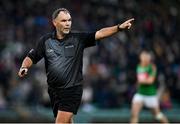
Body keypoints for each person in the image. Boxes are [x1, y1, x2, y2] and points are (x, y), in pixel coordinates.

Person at [18, 8, 134, 123]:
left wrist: (119, 28)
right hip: (54, 91)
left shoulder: (78, 38)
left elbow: (100, 33)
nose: (68, 23)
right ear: (54, 22)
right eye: (64, 21)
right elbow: (31, 57)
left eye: (69, 20)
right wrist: (24, 67)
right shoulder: (45, 41)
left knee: (60, 122)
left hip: (72, 89)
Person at [130, 51, 169, 123]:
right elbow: (139, 80)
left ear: (149, 58)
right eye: (142, 56)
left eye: (145, 56)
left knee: (157, 115)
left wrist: (141, 81)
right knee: (134, 114)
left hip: (150, 95)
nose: (143, 58)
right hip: (140, 94)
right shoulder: (139, 66)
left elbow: (150, 81)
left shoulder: (152, 67)